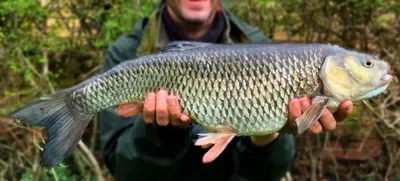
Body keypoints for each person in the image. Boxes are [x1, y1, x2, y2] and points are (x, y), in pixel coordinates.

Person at [98, 0, 354, 181]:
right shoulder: (126, 53)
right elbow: (123, 170)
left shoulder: (262, 49)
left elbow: (267, 174)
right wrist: (158, 130)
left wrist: (265, 138)